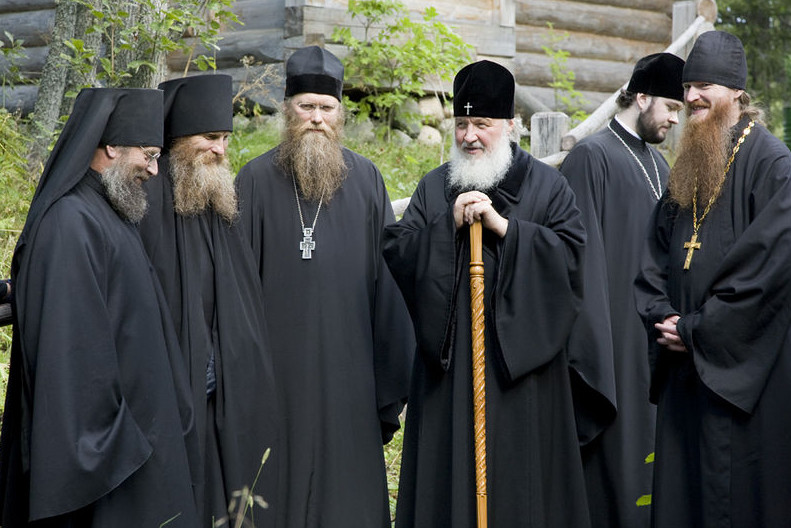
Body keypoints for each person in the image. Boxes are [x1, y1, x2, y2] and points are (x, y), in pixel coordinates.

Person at [383, 60, 601, 527]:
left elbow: (572, 260)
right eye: (461, 125)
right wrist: (447, 227)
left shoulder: (548, 186)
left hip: (523, 384)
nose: (470, 137)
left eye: (482, 124)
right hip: (448, 380)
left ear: (510, 124)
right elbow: (399, 253)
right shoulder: (435, 187)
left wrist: (507, 229)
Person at [0, 88, 200, 526]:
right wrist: (120, 438)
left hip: (143, 434)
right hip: (116, 457)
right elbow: (72, 356)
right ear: (111, 147)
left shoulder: (108, 212)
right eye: (148, 155)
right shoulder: (70, 222)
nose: (154, 169)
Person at [235, 46, 413, 528]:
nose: (317, 118)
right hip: (275, 384)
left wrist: (386, 388)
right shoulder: (253, 180)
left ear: (340, 113)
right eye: (306, 106)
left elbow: (389, 289)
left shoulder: (367, 180)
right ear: (287, 109)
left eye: (326, 107)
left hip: (350, 382)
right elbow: (235, 291)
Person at [634, 31, 791, 528]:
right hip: (685, 373)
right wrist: (662, 314)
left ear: (737, 92)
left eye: (704, 86)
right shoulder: (691, 164)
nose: (692, 97)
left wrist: (697, 329)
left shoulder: (773, 166)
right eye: (687, 87)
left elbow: (769, 272)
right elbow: (653, 254)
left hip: (741, 378)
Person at [138, 74, 279, 527]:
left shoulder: (218, 195)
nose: (220, 150)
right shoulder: (146, 199)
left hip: (221, 389)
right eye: (210, 138)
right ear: (178, 139)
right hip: (172, 388)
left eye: (225, 139)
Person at [559, 52, 685, 528]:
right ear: (643, 97)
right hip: (611, 342)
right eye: (671, 107)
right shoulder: (591, 157)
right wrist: (595, 347)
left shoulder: (660, 164)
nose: (675, 119)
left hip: (654, 339)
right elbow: (577, 258)